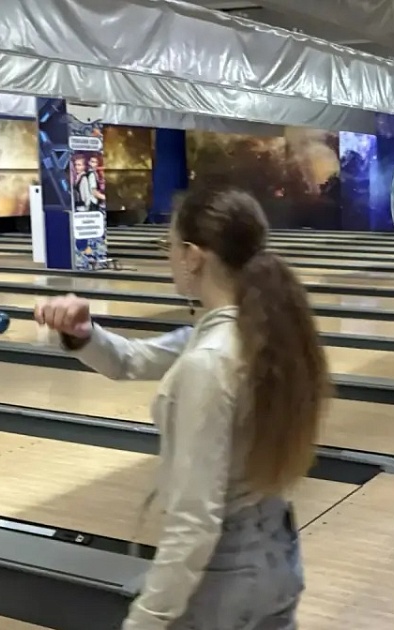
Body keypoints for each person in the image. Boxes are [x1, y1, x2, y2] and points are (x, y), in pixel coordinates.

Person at [34, 190, 329, 629]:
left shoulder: (209, 362)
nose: (168, 256)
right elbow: (132, 359)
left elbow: (194, 521)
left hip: (222, 578)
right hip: (278, 558)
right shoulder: (267, 333)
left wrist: (146, 620)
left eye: (168, 245)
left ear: (192, 256)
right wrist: (84, 333)